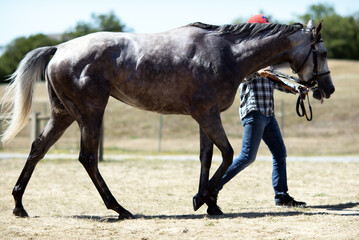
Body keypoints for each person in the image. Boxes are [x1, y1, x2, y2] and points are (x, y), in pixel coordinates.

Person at [208, 14, 307, 215]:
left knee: (280, 153)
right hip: (253, 111)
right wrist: (256, 72)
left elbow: (276, 81)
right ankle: (212, 188)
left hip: (268, 114)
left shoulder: (267, 58)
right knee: (246, 157)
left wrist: (297, 88)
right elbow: (239, 77)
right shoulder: (244, 57)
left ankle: (281, 196)